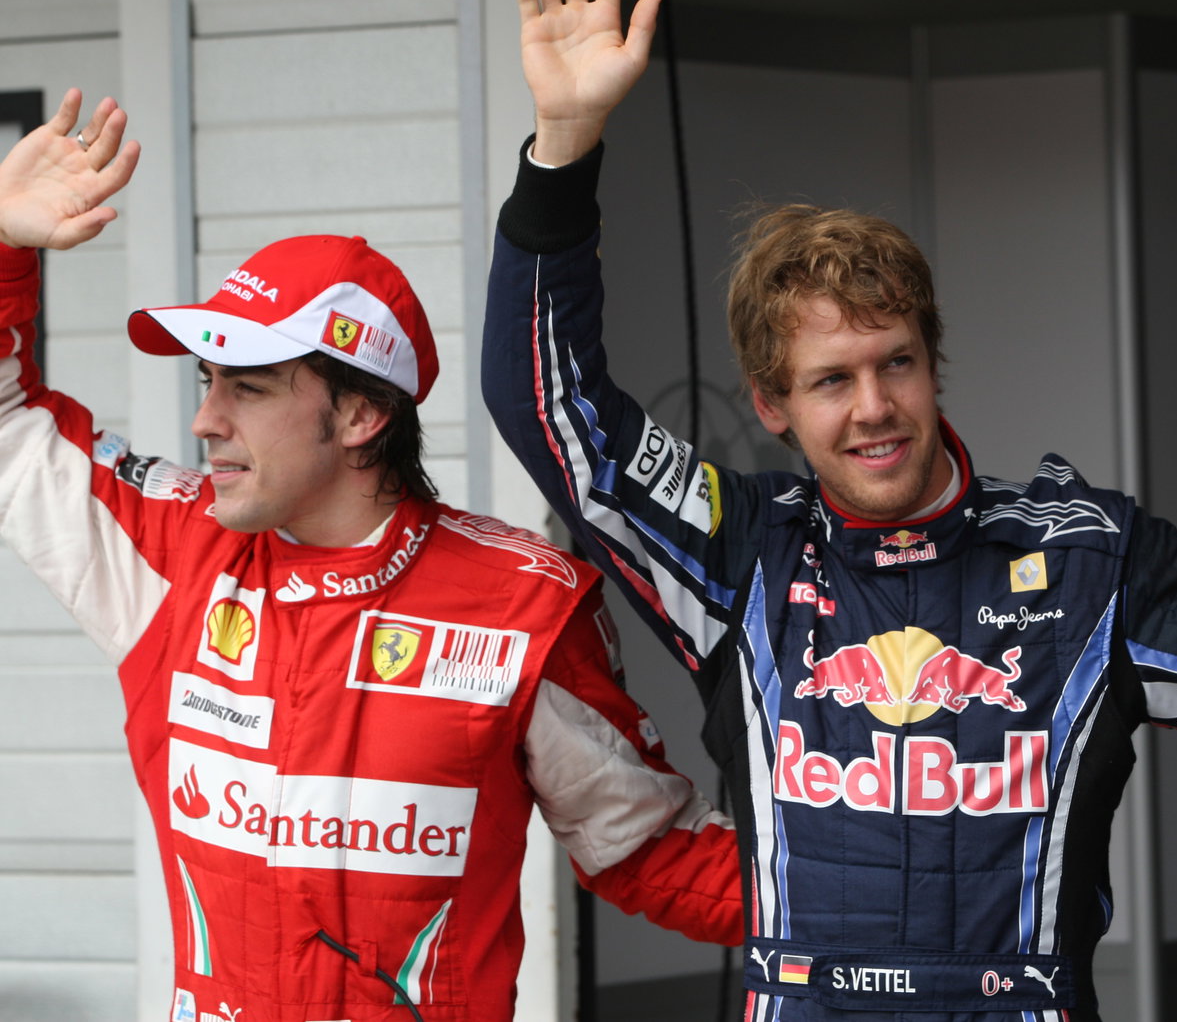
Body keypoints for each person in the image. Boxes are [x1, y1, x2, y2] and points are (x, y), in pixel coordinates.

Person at [481, 0, 1177, 1019]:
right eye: (830, 380)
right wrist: (563, 149)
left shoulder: (1088, 556)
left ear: (933, 361)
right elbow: (550, 409)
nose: (874, 407)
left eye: (895, 361)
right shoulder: (742, 551)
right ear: (771, 403)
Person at [0, 90, 741, 1022]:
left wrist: (887, 901)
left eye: (247, 387)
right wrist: (2, 244)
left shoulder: (521, 605)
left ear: (360, 413)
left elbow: (649, 849)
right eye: (207, 380)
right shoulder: (171, 551)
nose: (205, 420)